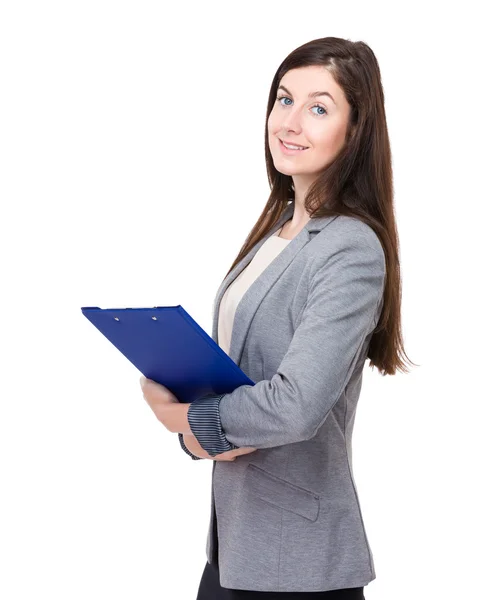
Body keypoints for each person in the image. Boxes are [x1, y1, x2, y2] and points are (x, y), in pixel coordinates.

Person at [178, 36, 415, 599]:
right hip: (234, 549)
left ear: (354, 132)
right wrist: (184, 407)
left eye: (318, 108)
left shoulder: (351, 247)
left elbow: (295, 406)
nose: (290, 122)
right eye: (284, 99)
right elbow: (239, 373)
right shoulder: (275, 233)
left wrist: (193, 421)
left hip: (298, 566)